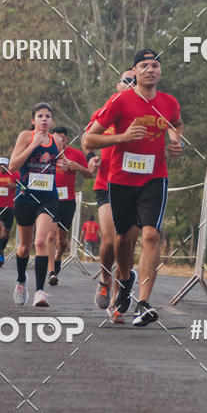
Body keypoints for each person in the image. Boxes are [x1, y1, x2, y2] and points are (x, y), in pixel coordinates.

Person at [85, 49, 184, 326]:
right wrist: (124, 136)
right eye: (144, 65)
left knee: (151, 235)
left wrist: (176, 141)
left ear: (160, 72)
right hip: (120, 180)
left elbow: (176, 124)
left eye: (155, 65)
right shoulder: (120, 101)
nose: (150, 69)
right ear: (135, 71)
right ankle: (124, 280)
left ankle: (144, 303)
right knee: (123, 239)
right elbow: (89, 140)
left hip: (154, 178)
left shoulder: (169, 103)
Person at [82, 68, 139, 314]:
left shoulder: (144, 115)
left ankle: (119, 298)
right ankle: (104, 281)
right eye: (126, 80)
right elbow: (87, 140)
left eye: (134, 82)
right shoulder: (104, 113)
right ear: (117, 85)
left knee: (126, 243)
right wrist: (92, 158)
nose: (130, 84)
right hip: (105, 183)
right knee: (109, 239)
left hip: (135, 186)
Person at [9, 103, 60, 307]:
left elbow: (57, 163)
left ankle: (40, 292)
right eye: (40, 116)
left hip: (48, 196)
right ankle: (21, 280)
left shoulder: (56, 140)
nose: (44, 119)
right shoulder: (25, 136)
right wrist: (32, 145)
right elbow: (13, 165)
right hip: (25, 197)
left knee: (41, 241)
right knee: (23, 247)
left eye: (48, 116)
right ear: (33, 120)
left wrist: (64, 164)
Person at [47, 127, 96, 285]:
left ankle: (57, 258)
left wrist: (77, 166)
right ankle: (51, 271)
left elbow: (90, 174)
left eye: (61, 139)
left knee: (62, 241)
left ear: (66, 139)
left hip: (67, 202)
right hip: (50, 199)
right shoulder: (46, 153)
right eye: (55, 138)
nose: (58, 141)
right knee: (51, 236)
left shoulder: (75, 154)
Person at [0, 156, 20, 267]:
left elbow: (23, 187)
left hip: (10, 206)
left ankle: (1, 249)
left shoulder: (15, 174)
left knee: (6, 232)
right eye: (0, 165)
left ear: (8, 165)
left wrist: (15, 186)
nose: (2, 167)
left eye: (4, 165)